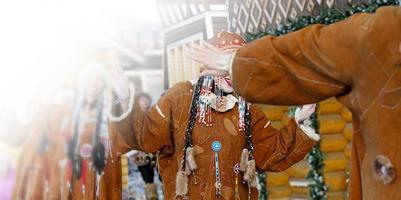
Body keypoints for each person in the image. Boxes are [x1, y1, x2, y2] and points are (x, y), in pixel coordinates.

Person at [185, 6, 401, 199]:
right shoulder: (182, 105)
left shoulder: (246, 111)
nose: (228, 80)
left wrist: (299, 125)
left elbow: (271, 152)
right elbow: (155, 142)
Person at [108, 32, 319, 199]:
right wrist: (124, 98)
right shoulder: (181, 97)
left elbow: (272, 152)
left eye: (234, 63)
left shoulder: (247, 108)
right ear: (209, 63)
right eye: (223, 62)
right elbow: (144, 135)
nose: (229, 71)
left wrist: (300, 120)